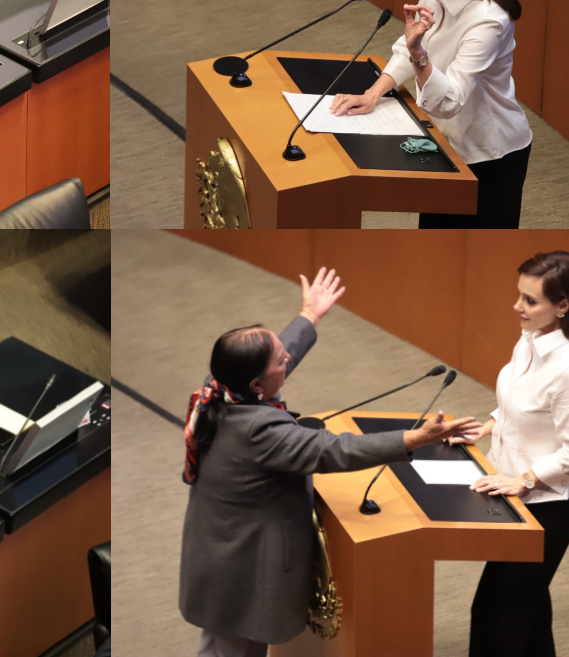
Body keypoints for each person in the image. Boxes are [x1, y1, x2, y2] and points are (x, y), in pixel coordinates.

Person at [179, 268, 481, 657]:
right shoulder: (260, 431)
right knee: (236, 650)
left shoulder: (219, 387)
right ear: (256, 386)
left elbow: (280, 352)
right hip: (243, 565)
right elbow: (334, 451)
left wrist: (310, 314)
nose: (286, 357)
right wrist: (415, 439)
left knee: (218, 644)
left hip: (220, 549)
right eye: (278, 361)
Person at [329, 0, 531, 229]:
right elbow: (406, 48)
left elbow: (449, 100)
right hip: (442, 139)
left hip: (488, 155)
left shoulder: (488, 21)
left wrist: (419, 53)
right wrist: (373, 93)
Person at [447, 251, 569, 656]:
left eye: (530, 301)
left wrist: (524, 480)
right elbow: (518, 402)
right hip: (514, 491)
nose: (518, 306)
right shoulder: (530, 337)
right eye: (520, 295)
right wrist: (486, 426)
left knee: (498, 614)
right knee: (527, 607)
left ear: (563, 306)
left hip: (550, 502)